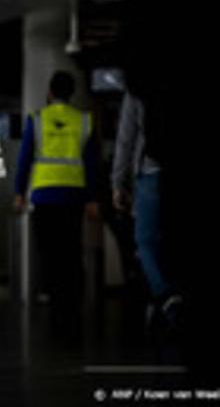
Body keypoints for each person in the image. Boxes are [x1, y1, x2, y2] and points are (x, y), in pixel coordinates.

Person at [13, 71, 99, 326]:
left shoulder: (37, 119)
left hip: (45, 195)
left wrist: (19, 192)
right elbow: (92, 164)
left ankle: (56, 303)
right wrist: (93, 198)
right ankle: (72, 304)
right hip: (74, 195)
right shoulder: (84, 121)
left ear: (50, 91)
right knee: (72, 251)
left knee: (49, 252)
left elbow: (25, 158)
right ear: (71, 93)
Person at [111, 91, 181, 332]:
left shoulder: (139, 87)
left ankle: (168, 297)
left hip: (151, 172)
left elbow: (126, 139)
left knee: (146, 242)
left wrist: (118, 184)